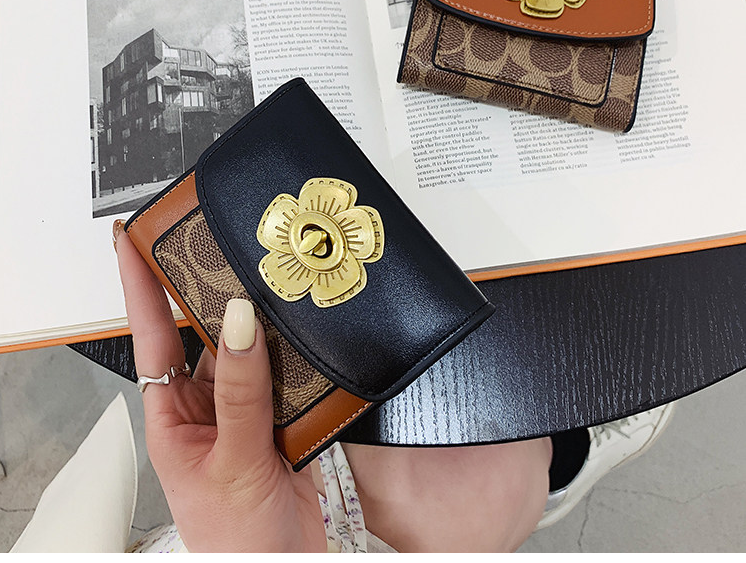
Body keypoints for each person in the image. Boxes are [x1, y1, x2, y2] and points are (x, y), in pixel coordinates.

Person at [113, 221, 672, 553]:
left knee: (424, 369)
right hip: (347, 536)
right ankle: (566, 460)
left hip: (239, 514)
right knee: (508, 468)